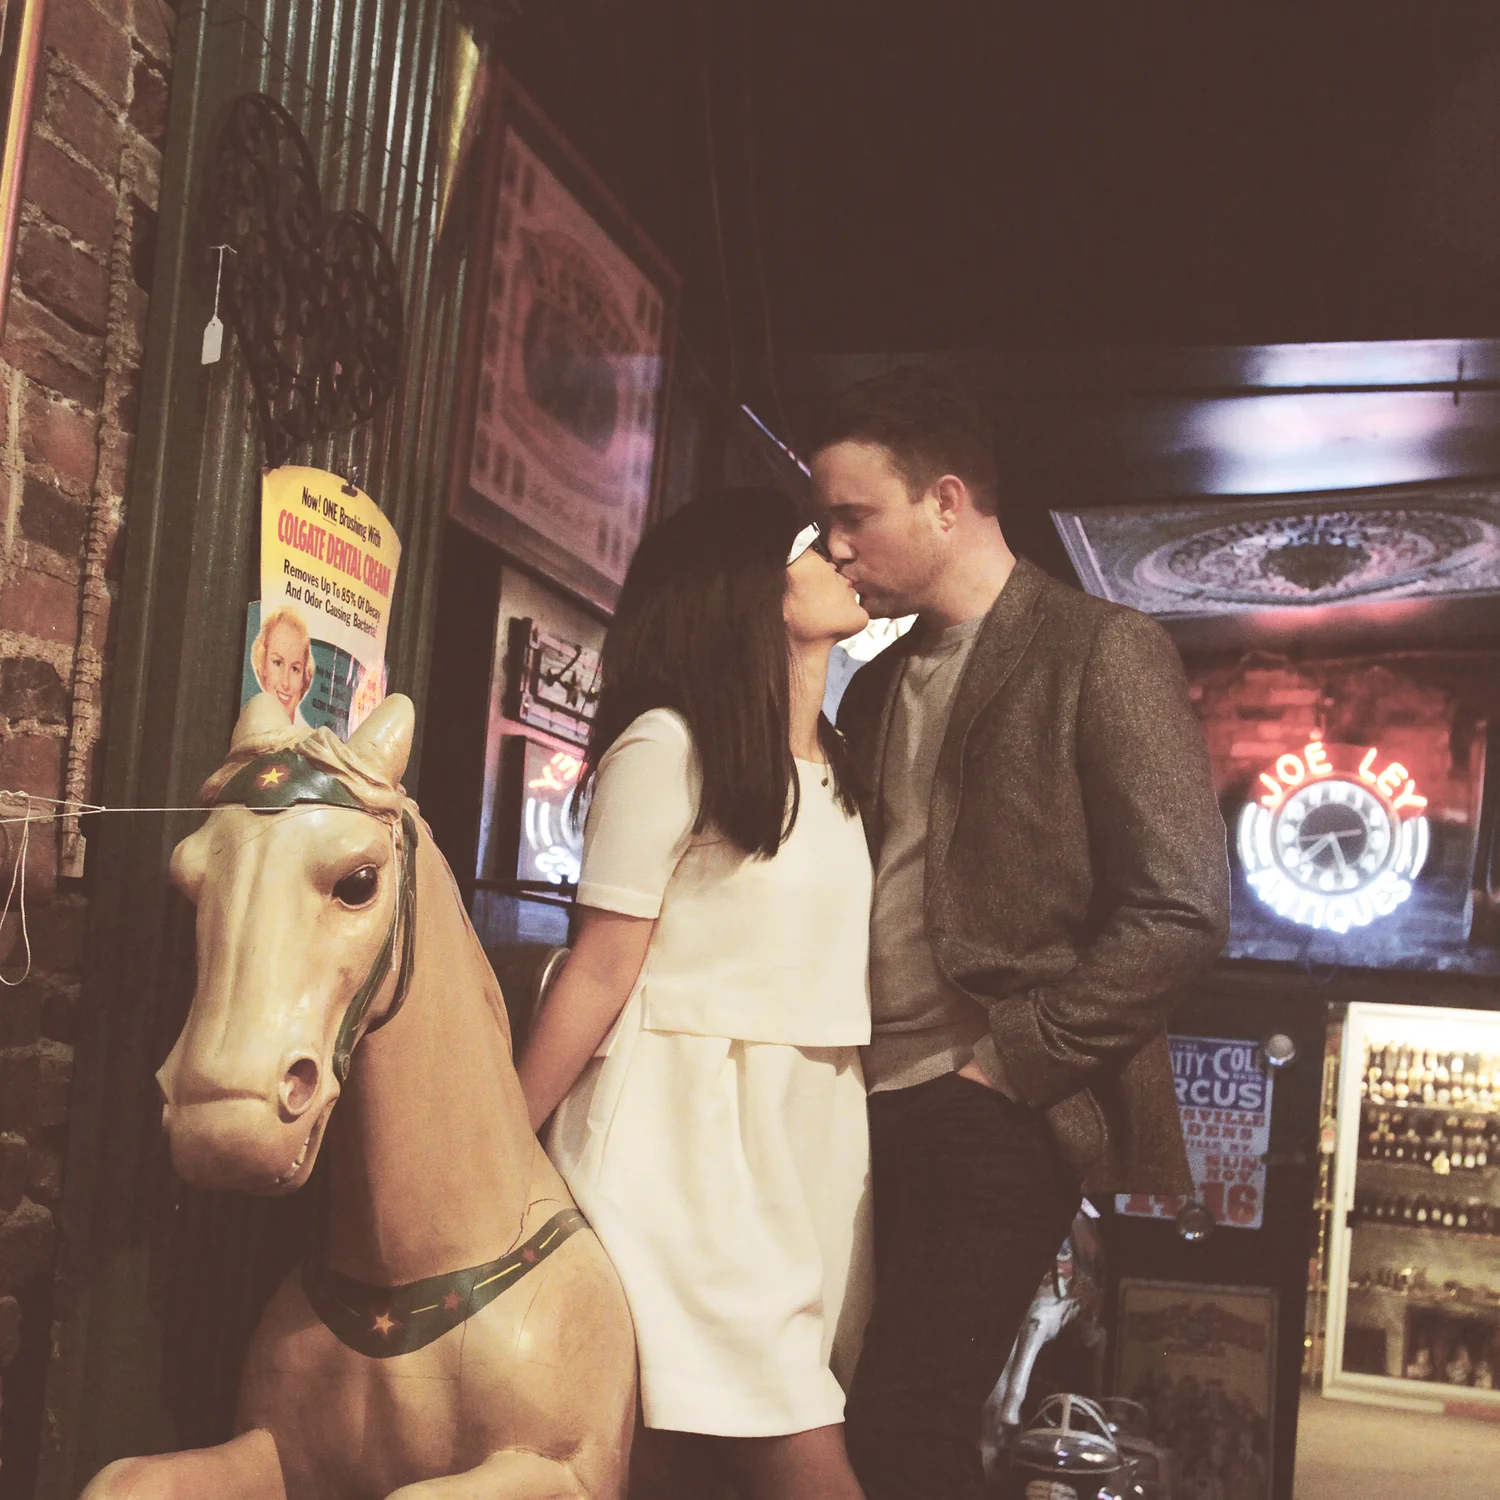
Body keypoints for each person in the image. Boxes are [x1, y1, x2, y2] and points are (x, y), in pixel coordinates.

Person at [808, 366, 1230, 1500]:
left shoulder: (1101, 647)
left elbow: (1182, 908)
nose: (835, 546)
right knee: (837, 1408)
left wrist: (1008, 1064)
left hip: (993, 1102)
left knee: (905, 1426)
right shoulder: (874, 685)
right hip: (857, 1092)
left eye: (854, 515)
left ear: (946, 502)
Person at [517, 489, 875, 1500]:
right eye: (815, 545)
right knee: (799, 1455)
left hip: (809, 1128)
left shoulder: (837, 762)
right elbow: (599, 967)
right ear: (744, 588)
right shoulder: (668, 746)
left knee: (681, 1465)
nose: (844, 556)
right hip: (687, 1136)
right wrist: (506, 1138)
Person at [251, 605, 315, 727]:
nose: (285, 683)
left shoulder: (311, 738)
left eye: (295, 669)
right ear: (263, 665)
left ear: (303, 679)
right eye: (277, 663)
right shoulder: (248, 725)